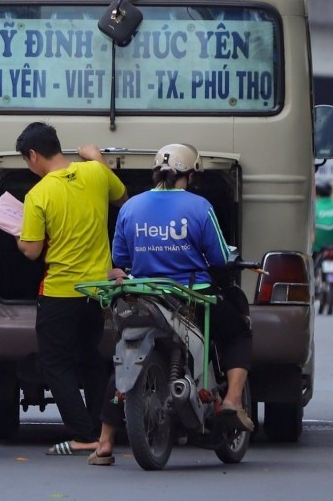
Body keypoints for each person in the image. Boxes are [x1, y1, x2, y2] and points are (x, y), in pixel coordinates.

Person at [90, 143, 254, 466]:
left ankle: (105, 441)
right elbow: (220, 256)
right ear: (190, 175)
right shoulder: (199, 206)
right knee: (238, 331)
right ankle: (233, 400)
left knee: (124, 357)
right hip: (191, 297)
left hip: (144, 295)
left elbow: (121, 261)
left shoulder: (130, 208)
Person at [14, 122, 127, 456]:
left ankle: (83, 435)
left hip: (60, 291)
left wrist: (18, 238)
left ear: (33, 155)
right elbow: (121, 197)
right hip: (96, 291)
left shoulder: (38, 194)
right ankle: (101, 428)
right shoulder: (95, 173)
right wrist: (98, 159)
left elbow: (32, 250)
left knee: (55, 363)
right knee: (89, 357)